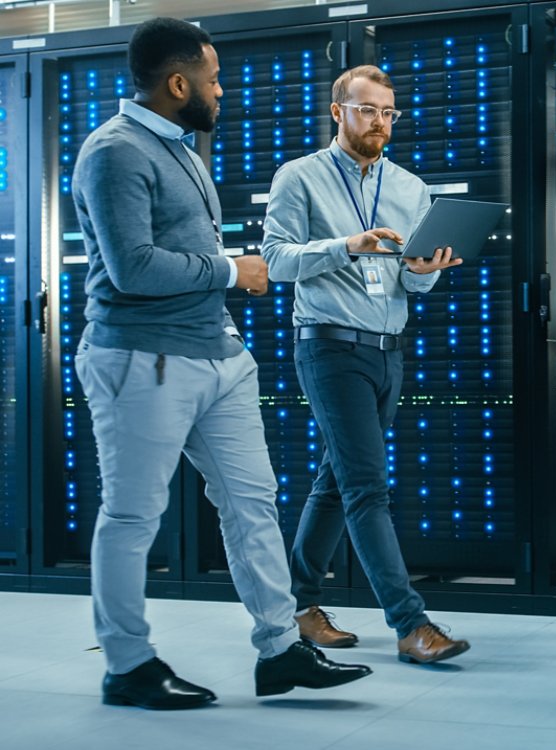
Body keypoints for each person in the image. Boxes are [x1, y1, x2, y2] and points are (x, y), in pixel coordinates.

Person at [72, 17, 371, 709]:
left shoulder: (181, 147)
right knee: (131, 516)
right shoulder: (114, 152)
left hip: (216, 356)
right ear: (178, 84)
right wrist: (234, 271)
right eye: (211, 79)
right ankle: (127, 665)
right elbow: (134, 268)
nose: (222, 90)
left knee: (252, 503)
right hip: (141, 359)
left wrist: (229, 312)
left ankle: (280, 650)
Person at [261, 65, 470, 664]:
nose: (380, 122)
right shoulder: (298, 177)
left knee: (338, 479)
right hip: (328, 346)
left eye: (388, 113)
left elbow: (407, 277)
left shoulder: (409, 186)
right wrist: (345, 246)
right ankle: (410, 625)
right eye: (368, 110)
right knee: (366, 488)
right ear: (338, 112)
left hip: (389, 351)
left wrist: (422, 273)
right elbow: (275, 261)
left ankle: (298, 605)